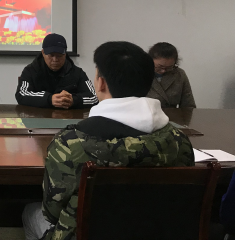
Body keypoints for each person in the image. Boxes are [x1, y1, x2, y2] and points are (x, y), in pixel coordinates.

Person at [22, 41, 194, 240]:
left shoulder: (70, 144)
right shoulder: (178, 141)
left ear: (101, 83)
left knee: (30, 212)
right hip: (156, 232)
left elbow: (52, 213)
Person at [15, 33, 97, 109]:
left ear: (65, 54)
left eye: (59, 55)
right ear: (43, 53)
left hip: (69, 118)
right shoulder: (30, 71)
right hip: (38, 118)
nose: (55, 59)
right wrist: (49, 99)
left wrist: (73, 100)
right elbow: (21, 95)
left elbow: (94, 97)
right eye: (51, 55)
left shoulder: (78, 73)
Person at [146, 42, 196, 108]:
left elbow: (188, 105)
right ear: (150, 60)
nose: (163, 71)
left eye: (169, 67)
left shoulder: (179, 74)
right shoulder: (139, 73)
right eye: (160, 67)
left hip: (172, 113)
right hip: (146, 113)